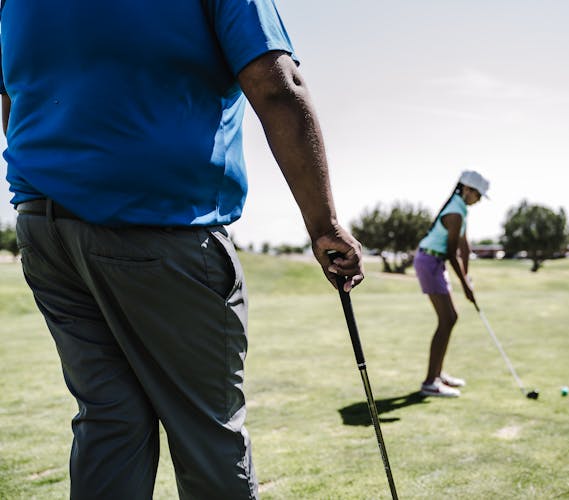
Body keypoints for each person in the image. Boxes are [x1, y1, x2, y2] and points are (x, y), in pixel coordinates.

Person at [0, 1, 363, 498]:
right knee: (208, 435)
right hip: (158, 223)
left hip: (45, 228)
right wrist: (324, 227)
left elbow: (14, 100)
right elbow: (278, 87)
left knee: (110, 422)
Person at [414, 170, 490, 397]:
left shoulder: (461, 209)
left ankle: (436, 374)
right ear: (466, 189)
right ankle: (430, 382)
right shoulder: (455, 212)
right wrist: (465, 285)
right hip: (430, 260)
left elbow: (464, 247)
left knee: (449, 318)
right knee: (448, 318)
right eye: (477, 194)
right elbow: (450, 252)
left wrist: (467, 277)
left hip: (434, 261)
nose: (478, 200)